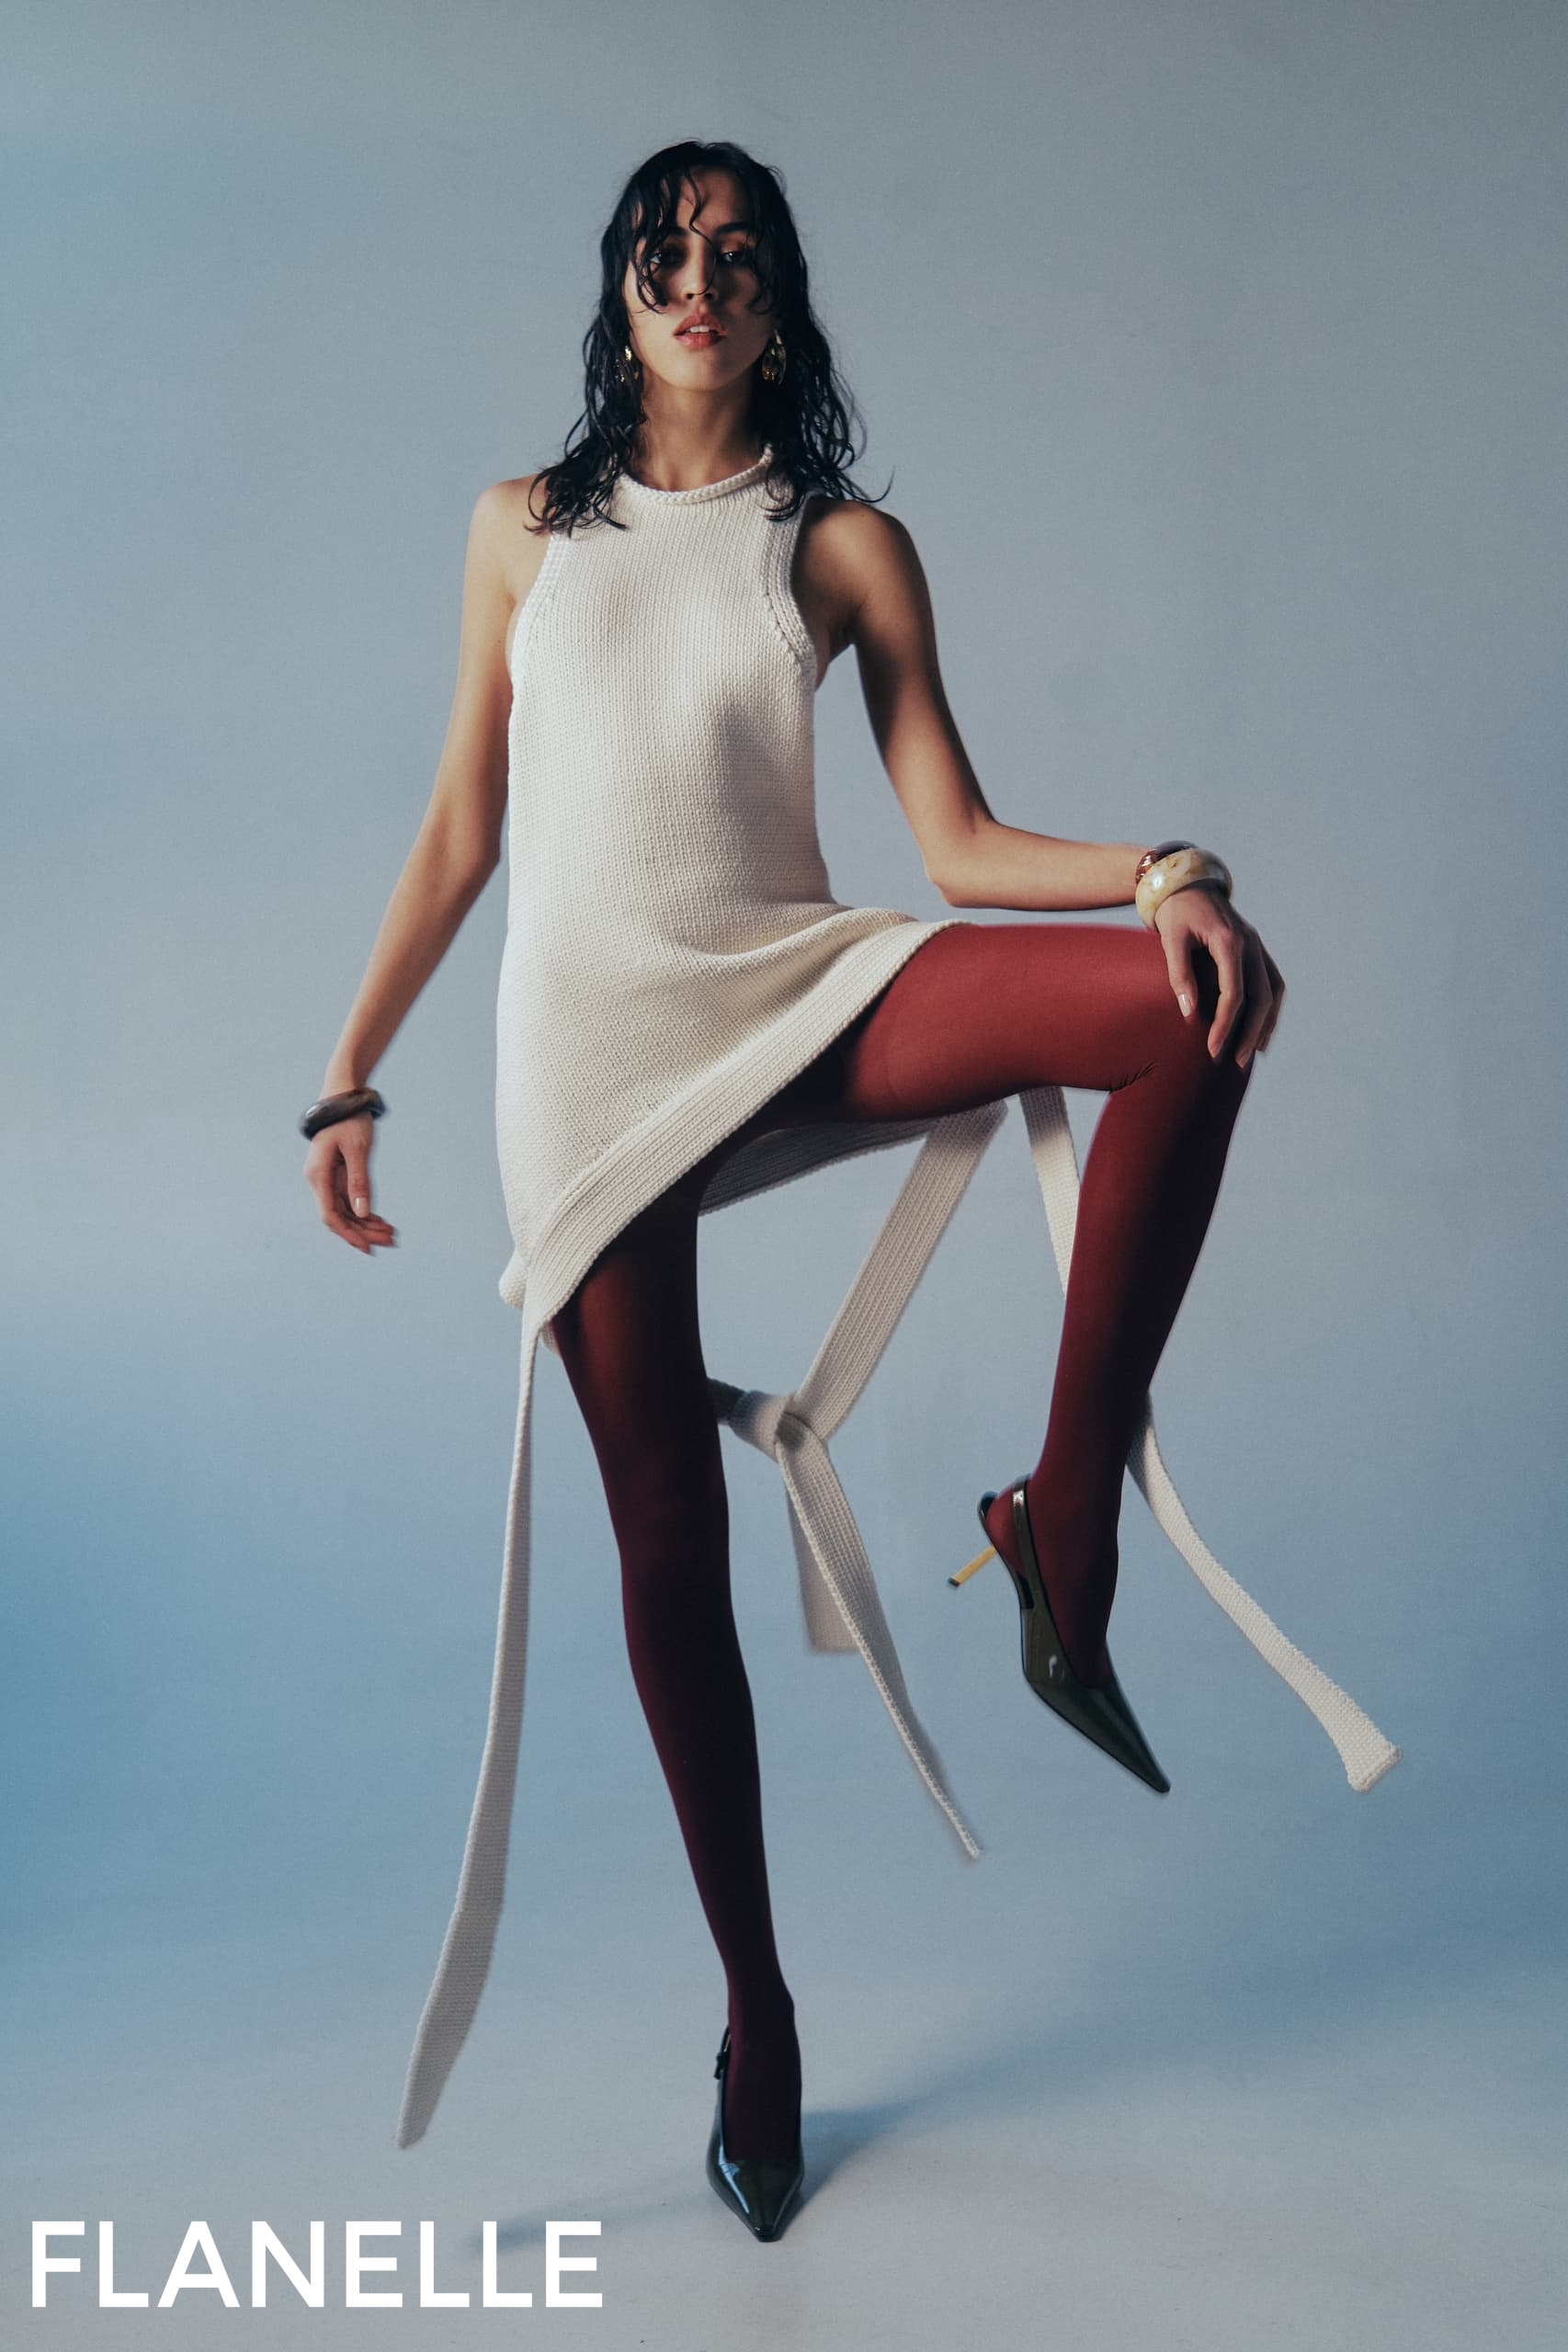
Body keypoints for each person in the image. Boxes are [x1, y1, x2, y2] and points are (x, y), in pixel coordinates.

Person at [302, 139, 1285, 2242]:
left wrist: (1164, 870)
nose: (697, 278)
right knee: (668, 1527)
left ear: (780, 300)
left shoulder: (839, 545)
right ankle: (758, 2014)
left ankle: (1061, 1511)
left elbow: (955, 834)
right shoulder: (520, 531)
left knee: (1186, 1008)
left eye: (736, 254)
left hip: (790, 978)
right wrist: (343, 1073)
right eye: (666, 247)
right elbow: (462, 826)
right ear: (622, 284)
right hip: (582, 1056)